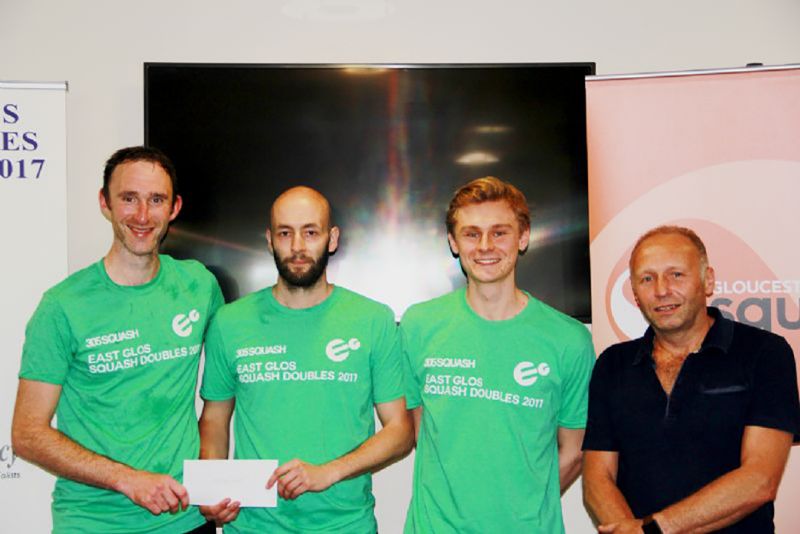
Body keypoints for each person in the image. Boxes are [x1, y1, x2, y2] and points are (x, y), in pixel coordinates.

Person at [11, 146, 224, 533]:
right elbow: (27, 434)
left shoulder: (199, 286)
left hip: (187, 521)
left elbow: (227, 386)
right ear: (104, 203)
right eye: (129, 198)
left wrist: (218, 482)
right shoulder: (62, 306)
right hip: (95, 523)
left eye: (156, 200)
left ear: (174, 207)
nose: (142, 216)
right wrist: (127, 479)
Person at [198, 186, 413, 532]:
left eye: (310, 232)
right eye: (285, 233)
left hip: (345, 525)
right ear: (270, 240)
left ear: (332, 239)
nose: (298, 246)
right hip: (255, 525)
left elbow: (401, 431)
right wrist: (210, 488)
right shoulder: (229, 322)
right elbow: (214, 419)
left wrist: (328, 472)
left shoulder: (373, 320)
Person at [401, 176, 595, 533]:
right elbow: (419, 429)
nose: (485, 246)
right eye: (472, 233)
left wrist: (523, 505)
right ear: (453, 242)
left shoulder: (569, 340)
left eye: (500, 232)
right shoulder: (418, 325)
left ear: (523, 237)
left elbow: (575, 449)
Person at [582, 225, 800, 533]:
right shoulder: (612, 364)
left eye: (676, 275)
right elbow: (597, 478)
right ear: (634, 292)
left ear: (707, 280)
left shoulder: (764, 353)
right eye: (647, 278)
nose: (661, 290)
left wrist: (653, 530)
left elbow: (760, 479)